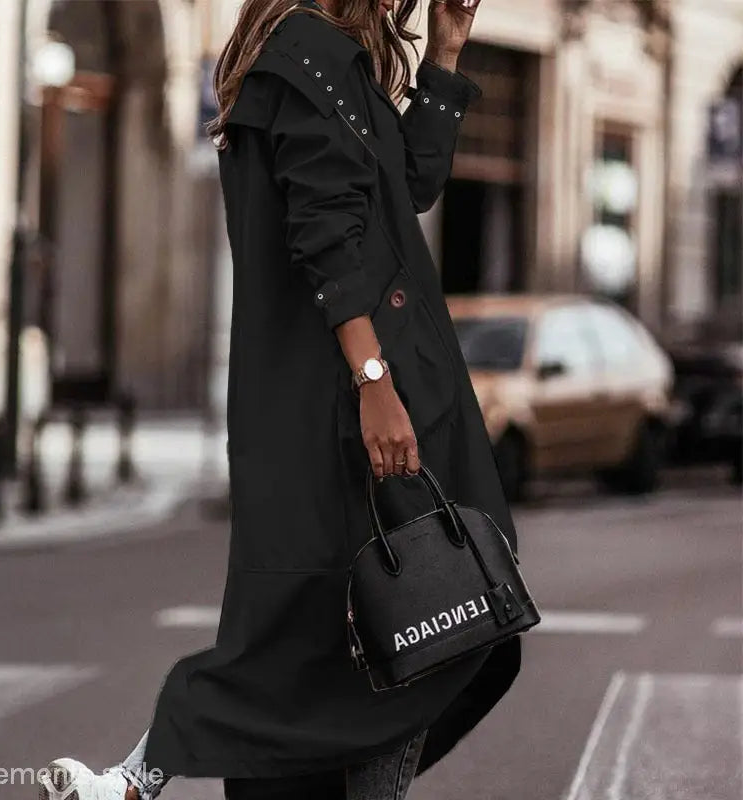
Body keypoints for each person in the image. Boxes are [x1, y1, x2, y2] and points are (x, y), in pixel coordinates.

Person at [37, 1, 523, 798]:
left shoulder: (333, 60)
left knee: (352, 637)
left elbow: (414, 186)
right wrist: (375, 385)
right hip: (346, 412)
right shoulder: (306, 52)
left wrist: (446, 51)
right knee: (426, 626)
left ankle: (132, 780)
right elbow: (325, 235)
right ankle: (134, 777)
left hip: (339, 407)